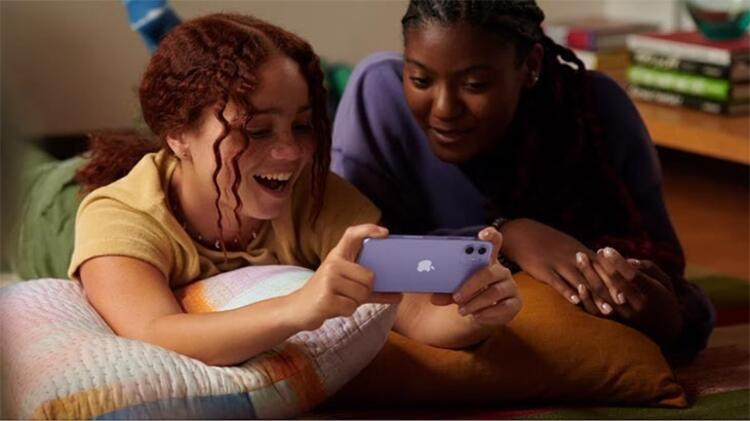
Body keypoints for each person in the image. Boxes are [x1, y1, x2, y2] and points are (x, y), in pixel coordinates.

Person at [68, 13, 520, 367]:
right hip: (64, 202)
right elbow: (152, 333)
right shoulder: (119, 215)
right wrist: (298, 307)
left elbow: (417, 314)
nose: (290, 152)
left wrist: (477, 311)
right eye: (257, 130)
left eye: (302, 125)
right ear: (178, 135)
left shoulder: (318, 197)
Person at [332, 0, 714, 365]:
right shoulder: (378, 95)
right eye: (420, 80)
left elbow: (670, 278)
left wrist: (659, 312)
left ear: (531, 65)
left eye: (475, 84)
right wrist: (507, 239)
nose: (444, 108)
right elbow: (351, 258)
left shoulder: (593, 111)